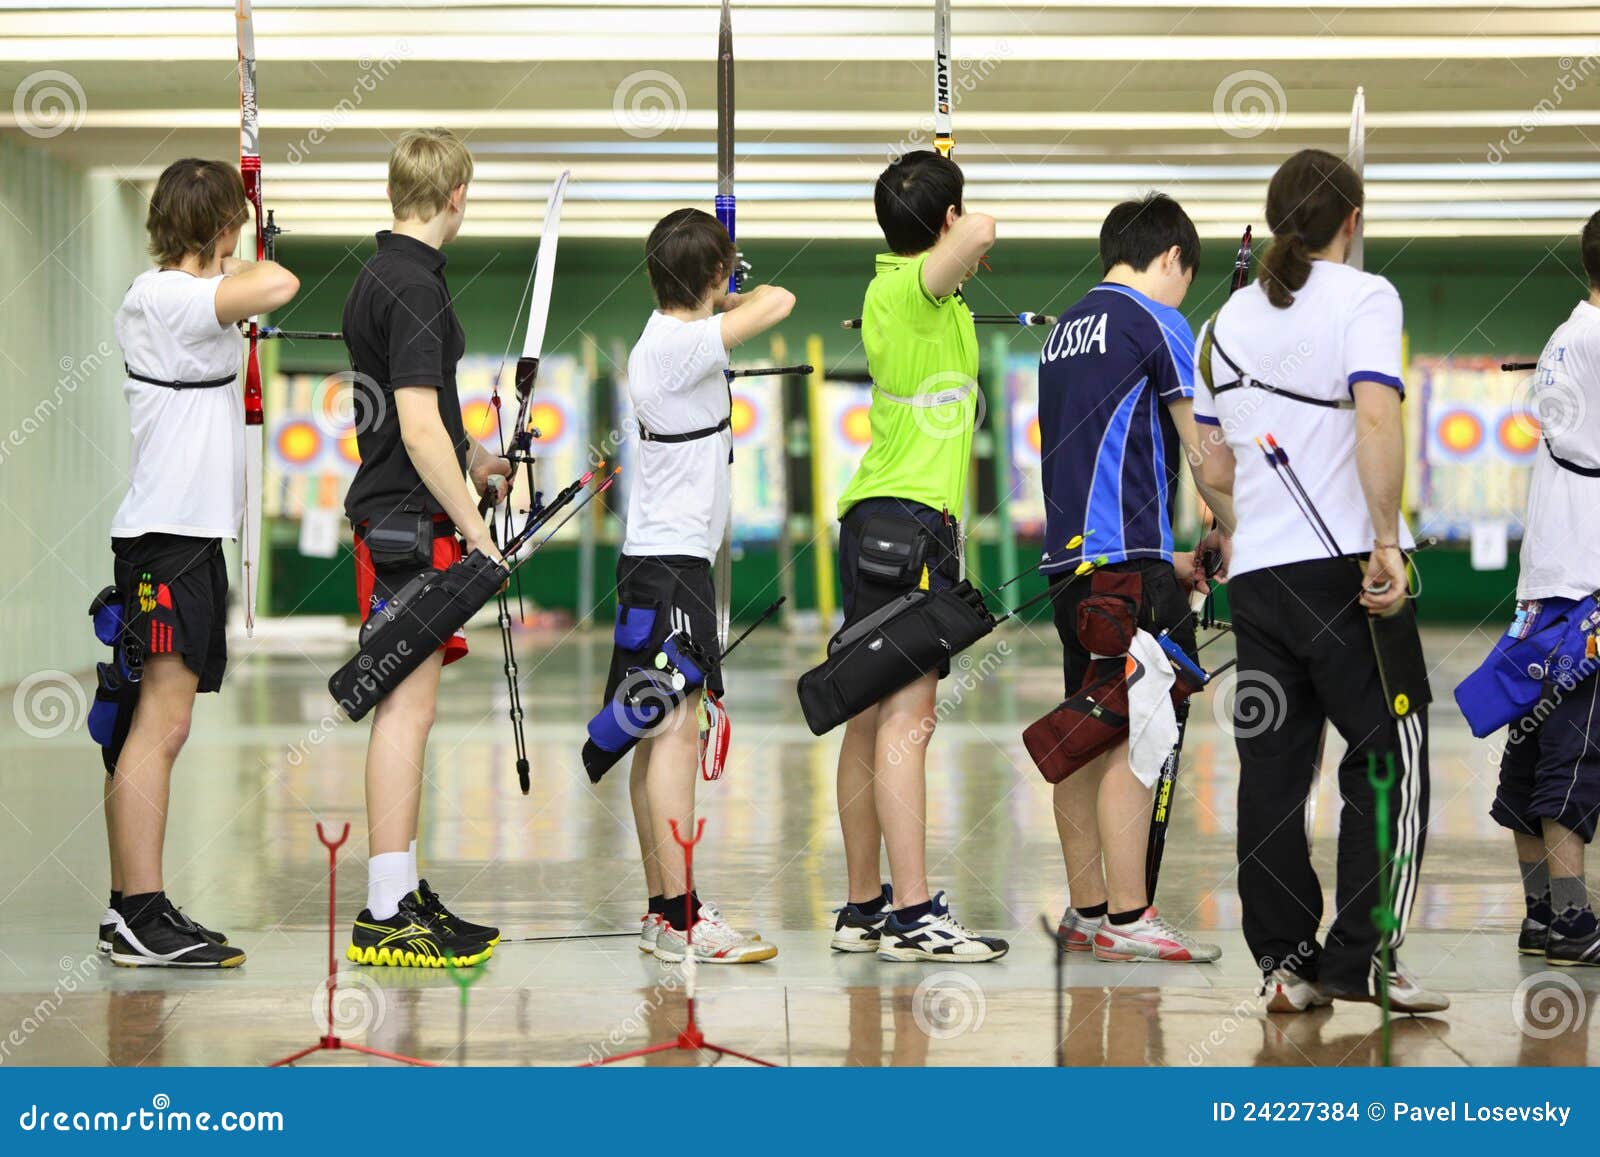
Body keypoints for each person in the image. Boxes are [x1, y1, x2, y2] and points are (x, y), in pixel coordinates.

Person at [1194, 148, 1446, 1013]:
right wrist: (1384, 539)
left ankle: (1287, 964)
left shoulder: (1221, 321)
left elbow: (1211, 458)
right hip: (1346, 567)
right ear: (1352, 220)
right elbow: (1376, 414)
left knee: (1272, 769)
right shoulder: (1366, 296)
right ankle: (1362, 956)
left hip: (1259, 578)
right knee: (1389, 758)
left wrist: (1244, 523)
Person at [98, 158, 301, 967]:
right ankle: (137, 912)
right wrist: (246, 243)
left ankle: (135, 907)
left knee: (156, 722)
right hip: (167, 539)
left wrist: (234, 234)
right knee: (161, 722)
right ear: (218, 226)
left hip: (187, 537)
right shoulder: (166, 297)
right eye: (233, 224)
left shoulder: (192, 302)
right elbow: (277, 284)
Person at [1037, 193, 1232, 964]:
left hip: (1075, 573)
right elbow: (1203, 451)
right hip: (1126, 578)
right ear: (1172, 259)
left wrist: (1173, 558)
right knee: (1137, 733)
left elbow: (1097, 464)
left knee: (1087, 732)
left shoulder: (1063, 332)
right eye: (1188, 276)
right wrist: (1242, 527)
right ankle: (1128, 915)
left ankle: (1088, 911)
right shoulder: (1155, 319)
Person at [828, 150, 1009, 962]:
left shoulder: (908, 297)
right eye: (953, 215)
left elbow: (960, 253)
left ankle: (865, 906)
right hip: (908, 526)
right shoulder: (908, 287)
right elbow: (982, 232)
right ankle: (911, 912)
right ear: (941, 225)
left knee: (869, 716)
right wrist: (956, 203)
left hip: (880, 524)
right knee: (909, 717)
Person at [606, 207, 792, 964]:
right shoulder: (681, 344)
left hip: (658, 563)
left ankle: (662, 909)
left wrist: (719, 281)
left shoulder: (666, 338)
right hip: (673, 568)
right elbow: (779, 301)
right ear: (710, 278)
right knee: (675, 735)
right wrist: (733, 288)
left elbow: (752, 297)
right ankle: (681, 917)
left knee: (655, 736)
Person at [340, 129, 503, 968]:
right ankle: (384, 908)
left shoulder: (386, 274)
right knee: (407, 707)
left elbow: (428, 413)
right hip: (409, 526)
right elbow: (411, 423)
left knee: (414, 705)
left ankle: (400, 889)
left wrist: (476, 459)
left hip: (402, 513)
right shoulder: (414, 285)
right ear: (455, 196)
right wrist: (475, 531)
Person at [1477, 209, 1600, 965]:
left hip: (1554, 583)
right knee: (1574, 755)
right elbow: (1571, 439)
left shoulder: (1569, 339)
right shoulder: (1585, 339)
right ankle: (1576, 922)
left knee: (1535, 751)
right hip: (1584, 586)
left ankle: (1542, 914)